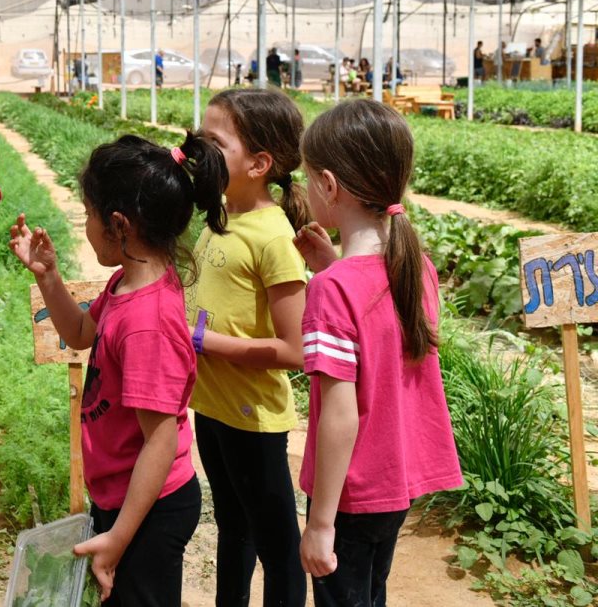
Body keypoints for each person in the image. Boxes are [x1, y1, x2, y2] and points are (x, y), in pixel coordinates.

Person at [9, 132, 228, 605]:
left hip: (148, 508)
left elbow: (161, 438)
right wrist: (48, 276)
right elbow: (82, 333)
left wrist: (118, 538)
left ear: (118, 224)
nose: (85, 225)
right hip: (126, 497)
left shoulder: (146, 323)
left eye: (87, 215)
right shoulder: (128, 281)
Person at [293, 99, 462, 606]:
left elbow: (340, 415)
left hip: (351, 492)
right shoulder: (416, 267)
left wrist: (320, 524)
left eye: (306, 179)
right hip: (398, 478)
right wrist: (332, 266)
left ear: (328, 185)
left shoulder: (333, 289)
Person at [189, 87, 311, 606]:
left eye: (213, 142)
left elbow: (296, 351)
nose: (197, 148)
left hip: (252, 417)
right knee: (232, 527)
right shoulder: (219, 214)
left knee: (278, 543)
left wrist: (206, 341)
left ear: (260, 163)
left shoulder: (272, 238)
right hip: (211, 406)